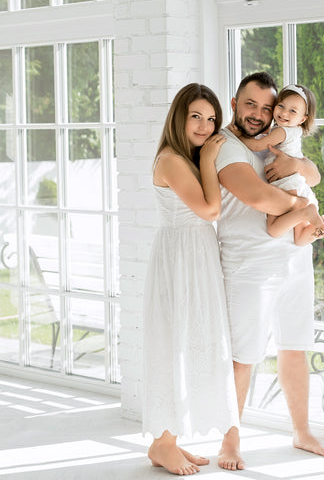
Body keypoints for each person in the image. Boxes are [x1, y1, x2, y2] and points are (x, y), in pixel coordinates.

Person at [215, 72, 324, 462]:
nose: (261, 113)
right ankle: (230, 439)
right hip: (250, 265)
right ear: (233, 103)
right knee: (244, 355)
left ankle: (301, 431)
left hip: (294, 258)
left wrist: (299, 166)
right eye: (251, 104)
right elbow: (258, 196)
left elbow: (316, 175)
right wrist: (307, 209)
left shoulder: (280, 142)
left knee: (295, 346)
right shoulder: (227, 145)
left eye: (267, 107)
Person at [142, 83, 242, 475]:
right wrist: (210, 158)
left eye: (211, 118)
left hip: (194, 258)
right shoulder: (171, 160)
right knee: (175, 343)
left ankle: (166, 443)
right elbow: (211, 209)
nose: (204, 126)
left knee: (190, 341)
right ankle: (165, 444)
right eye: (196, 116)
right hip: (180, 260)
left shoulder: (184, 158)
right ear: (179, 118)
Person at [234, 83, 324, 246]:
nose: (284, 113)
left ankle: (308, 212)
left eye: (292, 111)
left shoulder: (281, 131)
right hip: (295, 183)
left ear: (302, 119)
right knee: (299, 239)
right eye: (281, 106)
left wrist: (236, 135)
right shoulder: (294, 131)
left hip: (285, 183)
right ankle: (323, 221)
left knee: (273, 229)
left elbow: (257, 145)